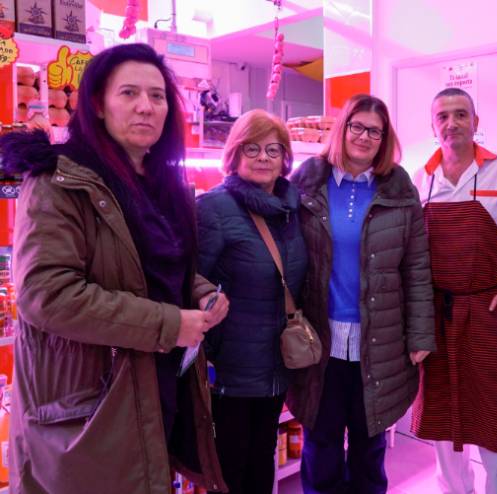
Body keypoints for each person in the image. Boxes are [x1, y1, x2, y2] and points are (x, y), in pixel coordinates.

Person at [0, 43, 229, 493]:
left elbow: (149, 266)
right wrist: (169, 324)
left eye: (157, 96)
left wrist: (199, 291)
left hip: (151, 387)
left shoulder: (160, 184)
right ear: (99, 105)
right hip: (87, 410)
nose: (146, 106)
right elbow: (47, 295)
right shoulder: (59, 181)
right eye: (129, 93)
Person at [288, 94, 435, 494]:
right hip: (320, 339)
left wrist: (421, 334)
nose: (365, 137)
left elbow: (417, 266)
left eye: (375, 131)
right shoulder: (307, 180)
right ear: (343, 128)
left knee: (369, 448)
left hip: (380, 340)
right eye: (357, 126)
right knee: (321, 445)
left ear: (384, 139)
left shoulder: (399, 188)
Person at [411, 87, 497, 494]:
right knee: (442, 418)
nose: (452, 123)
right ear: (433, 126)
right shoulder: (421, 178)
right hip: (436, 314)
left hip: (490, 313)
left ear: (476, 122)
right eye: (443, 116)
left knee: (495, 417)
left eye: (461, 114)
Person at [196, 109, 308, 494]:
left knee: (262, 460)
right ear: (235, 154)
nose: (263, 158)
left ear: (285, 158)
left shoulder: (291, 210)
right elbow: (189, 277)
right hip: (231, 368)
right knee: (230, 468)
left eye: (273, 150)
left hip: (277, 362)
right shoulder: (214, 208)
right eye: (253, 148)